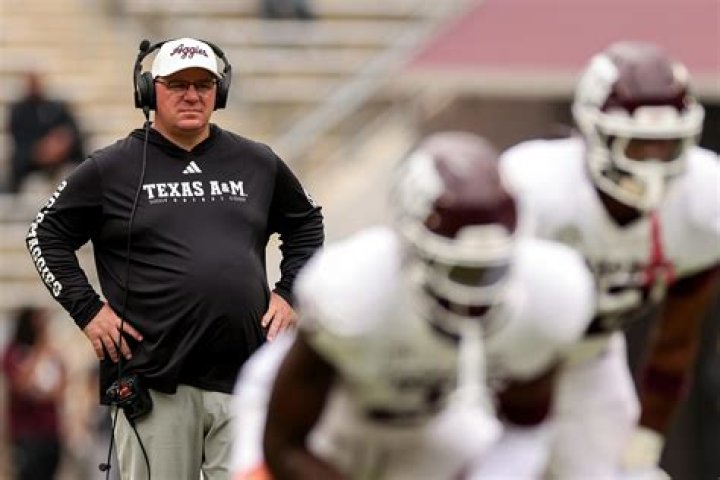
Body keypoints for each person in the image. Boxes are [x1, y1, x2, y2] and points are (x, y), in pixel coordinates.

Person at [24, 37, 324, 480]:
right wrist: (88, 310)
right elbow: (44, 234)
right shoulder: (112, 168)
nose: (192, 95)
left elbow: (307, 224)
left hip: (242, 378)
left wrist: (289, 292)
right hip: (154, 383)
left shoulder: (257, 162)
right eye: (178, 84)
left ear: (220, 92)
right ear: (150, 91)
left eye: (203, 84)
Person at [230, 132, 596, 479]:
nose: (473, 292)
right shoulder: (357, 290)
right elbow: (285, 445)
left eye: (490, 270)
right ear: (410, 246)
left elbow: (524, 429)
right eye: (458, 269)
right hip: (332, 417)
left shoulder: (548, 293)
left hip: (435, 420)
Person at [498, 41, 720, 479]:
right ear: (594, 131)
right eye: (639, 145)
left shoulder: (703, 203)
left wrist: (648, 436)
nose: (653, 163)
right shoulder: (536, 189)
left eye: (666, 145)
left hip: (589, 358)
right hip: (497, 362)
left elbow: (677, 339)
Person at [2, 306, 67, 480]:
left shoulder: (52, 353)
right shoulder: (13, 352)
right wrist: (38, 352)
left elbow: (61, 391)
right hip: (27, 431)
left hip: (50, 430)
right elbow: (19, 386)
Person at [7, 70, 85, 194]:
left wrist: (61, 144)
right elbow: (20, 145)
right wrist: (40, 152)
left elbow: (72, 134)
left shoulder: (58, 108)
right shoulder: (19, 112)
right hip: (32, 171)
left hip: (63, 166)